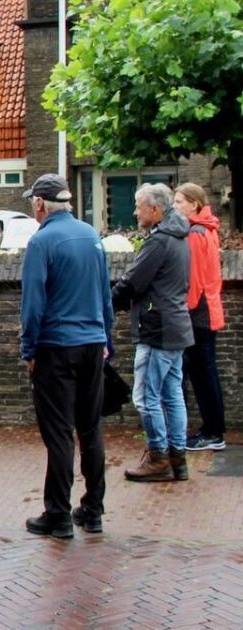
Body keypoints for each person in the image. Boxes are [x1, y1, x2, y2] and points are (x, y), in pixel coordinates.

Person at [18, 174, 113, 539]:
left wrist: (29, 348)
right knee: (91, 427)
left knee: (58, 433)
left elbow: (33, 304)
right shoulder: (92, 237)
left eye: (32, 201)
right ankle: (92, 509)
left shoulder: (41, 241)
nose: (32, 207)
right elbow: (104, 294)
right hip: (92, 345)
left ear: (41, 203)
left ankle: (57, 515)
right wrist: (107, 340)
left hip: (56, 347)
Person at [113, 183, 194, 482]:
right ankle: (178, 457)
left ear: (155, 210)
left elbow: (133, 282)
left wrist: (108, 303)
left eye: (138, 206)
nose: (135, 212)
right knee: (172, 394)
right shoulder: (179, 237)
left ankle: (158, 455)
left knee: (146, 396)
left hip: (157, 328)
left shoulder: (159, 242)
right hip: (175, 326)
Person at [174, 183, 227, 451]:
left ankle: (214, 433)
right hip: (209, 309)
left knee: (202, 373)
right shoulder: (208, 229)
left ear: (194, 204)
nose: (175, 207)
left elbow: (193, 281)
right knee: (205, 372)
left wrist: (183, 311)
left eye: (180, 202)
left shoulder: (195, 234)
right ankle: (213, 430)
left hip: (198, 313)